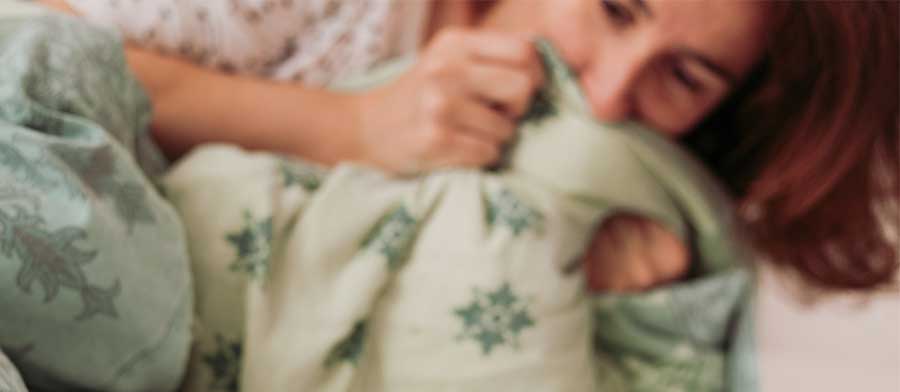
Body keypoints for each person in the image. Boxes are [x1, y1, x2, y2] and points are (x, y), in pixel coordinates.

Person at [41, 0, 899, 294]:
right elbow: (32, 44)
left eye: (687, 76)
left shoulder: (613, 172)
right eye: (613, 6)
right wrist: (351, 128)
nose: (608, 96)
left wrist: (611, 296)